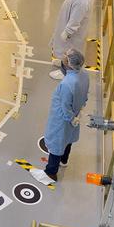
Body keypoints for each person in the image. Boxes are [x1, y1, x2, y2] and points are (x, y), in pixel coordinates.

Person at [41, 50, 89, 181]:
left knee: (57, 142)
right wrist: (77, 114)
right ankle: (64, 160)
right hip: (75, 113)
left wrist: (71, 118)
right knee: (68, 139)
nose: (63, 56)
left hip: (62, 118)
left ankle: (51, 172)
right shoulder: (84, 74)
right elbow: (85, 95)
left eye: (65, 56)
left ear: (68, 62)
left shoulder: (67, 84)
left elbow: (65, 106)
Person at [49, 0, 98, 78]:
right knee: (64, 50)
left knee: (70, 52)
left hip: (72, 33)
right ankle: (62, 62)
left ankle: (65, 72)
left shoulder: (83, 0)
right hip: (65, 22)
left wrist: (68, 32)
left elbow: (76, 19)